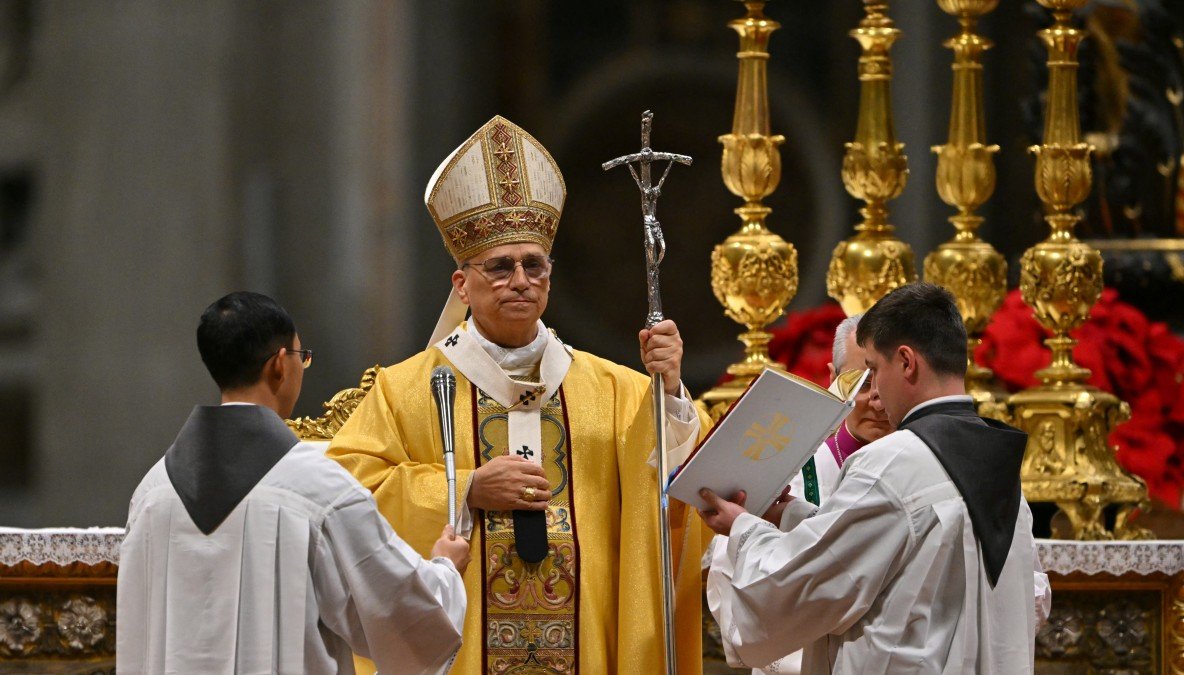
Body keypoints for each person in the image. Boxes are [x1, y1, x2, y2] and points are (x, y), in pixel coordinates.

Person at [326, 115, 711, 674]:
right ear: (462, 284)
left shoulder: (619, 391)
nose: (521, 280)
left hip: (586, 644)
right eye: (500, 267)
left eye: (535, 265)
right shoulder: (406, 390)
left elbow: (674, 487)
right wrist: (463, 488)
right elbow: (347, 497)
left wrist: (671, 391)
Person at [698, 282, 1043, 674]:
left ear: (907, 362)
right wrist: (792, 516)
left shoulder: (893, 462)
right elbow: (898, 559)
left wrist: (744, 528)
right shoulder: (997, 464)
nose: (875, 391)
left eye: (874, 371)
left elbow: (810, 585)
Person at [117, 292, 470, 675]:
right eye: (302, 357)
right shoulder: (318, 486)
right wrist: (445, 572)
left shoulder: (153, 491)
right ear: (279, 366)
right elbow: (394, 613)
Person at [705, 313, 892, 674]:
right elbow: (734, 588)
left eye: (884, 380)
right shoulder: (787, 465)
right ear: (834, 378)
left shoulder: (922, 466)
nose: (877, 400)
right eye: (862, 381)